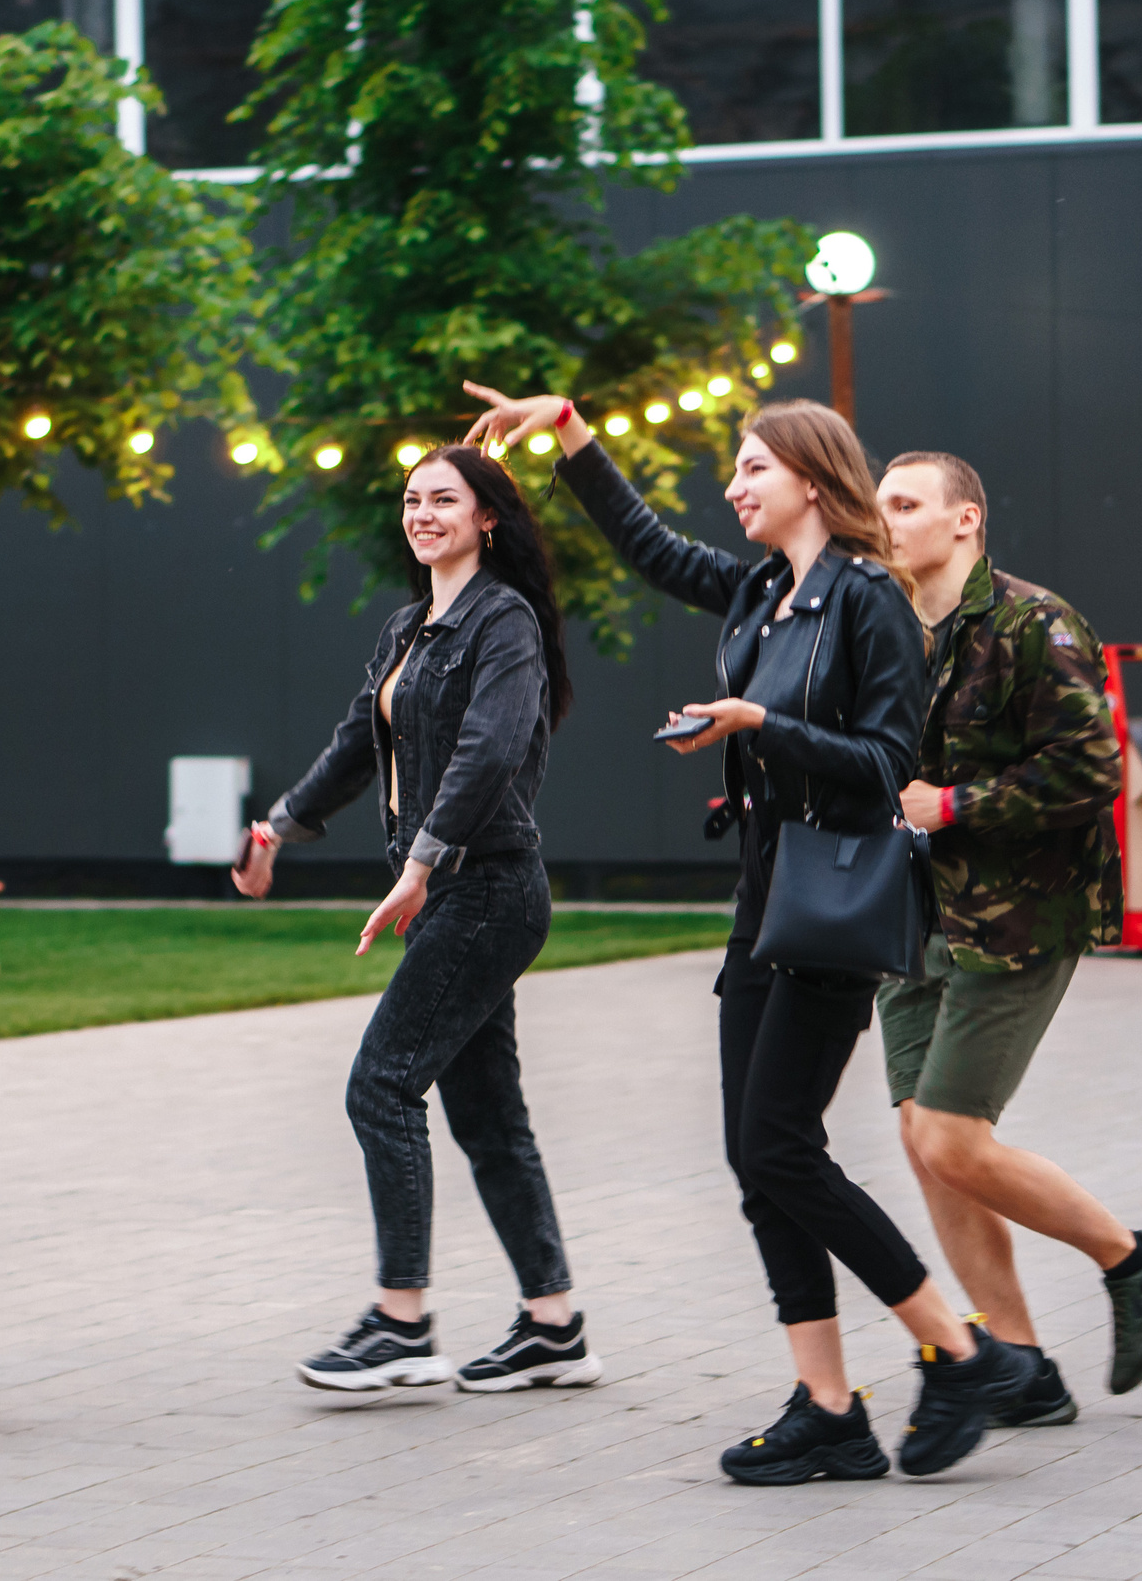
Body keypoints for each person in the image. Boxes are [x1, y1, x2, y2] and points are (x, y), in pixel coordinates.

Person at [483, 385, 1029, 1484]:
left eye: (751, 470)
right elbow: (647, 548)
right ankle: (827, 1405)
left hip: (834, 901)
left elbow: (885, 768)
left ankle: (961, 1350)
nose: (732, 488)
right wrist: (572, 435)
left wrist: (758, 726)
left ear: (813, 482)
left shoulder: (867, 600)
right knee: (755, 1160)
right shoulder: (758, 591)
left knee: (779, 1144)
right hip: (765, 903)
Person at [234, 442, 602, 1398]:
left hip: (486, 886)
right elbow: (359, 739)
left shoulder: (504, 619)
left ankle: (403, 1323)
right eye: (412, 499)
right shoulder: (412, 626)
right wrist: (277, 825)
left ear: (489, 517)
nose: (423, 511)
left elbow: (488, 751)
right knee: (487, 1115)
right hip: (453, 886)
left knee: (382, 1086)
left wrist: (424, 862)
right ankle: (553, 1326)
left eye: (446, 497)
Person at [870, 450, 1142, 1427]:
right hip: (910, 918)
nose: (885, 519)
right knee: (921, 1141)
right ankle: (1017, 1361)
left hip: (1015, 917)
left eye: (904, 503)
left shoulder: (1031, 621)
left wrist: (955, 805)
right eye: (880, 503)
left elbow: (1093, 768)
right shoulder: (888, 628)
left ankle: (1138, 1262)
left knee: (951, 1137)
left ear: (963, 521)